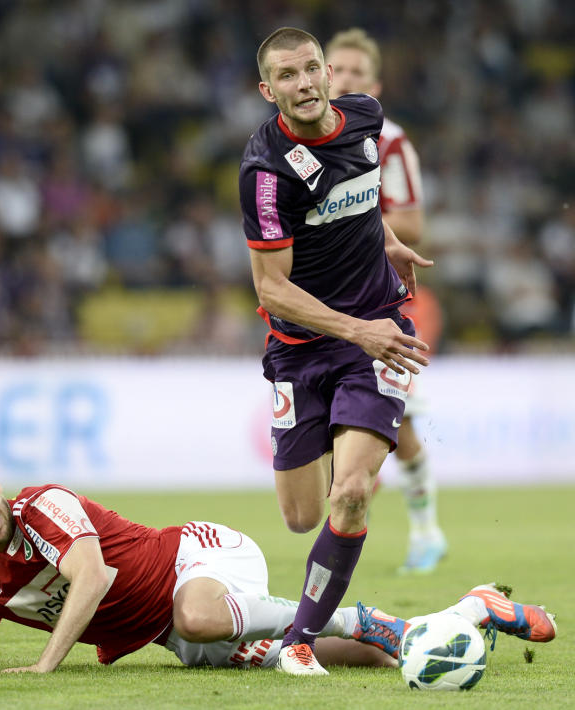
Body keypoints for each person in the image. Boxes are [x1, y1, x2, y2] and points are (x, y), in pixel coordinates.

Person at [0, 449, 556, 672]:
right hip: (173, 636)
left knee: (196, 615)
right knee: (368, 661)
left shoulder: (43, 504)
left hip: (196, 560)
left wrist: (45, 666)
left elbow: (94, 576)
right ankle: (470, 611)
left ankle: (361, 615)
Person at [238, 27, 435, 676]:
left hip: (376, 334)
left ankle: (298, 642)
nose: (303, 84)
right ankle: (346, 618)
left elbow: (359, 194)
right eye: (286, 76)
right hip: (300, 349)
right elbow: (271, 289)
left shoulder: (366, 118)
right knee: (301, 516)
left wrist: (387, 243)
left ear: (328, 73)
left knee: (351, 492)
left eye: (311, 69)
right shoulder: (265, 171)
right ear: (268, 91)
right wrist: (356, 329)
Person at [325, 27, 447, 574]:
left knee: (401, 424)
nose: (345, 80)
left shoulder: (389, 140)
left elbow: (413, 224)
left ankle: (425, 532)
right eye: (338, 70)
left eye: (358, 73)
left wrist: (344, 222)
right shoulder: (297, 141)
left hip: (379, 301)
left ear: (373, 86)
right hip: (327, 303)